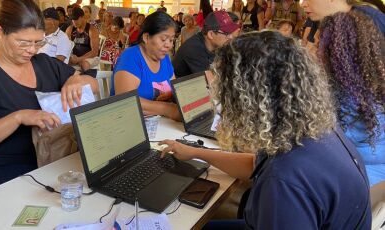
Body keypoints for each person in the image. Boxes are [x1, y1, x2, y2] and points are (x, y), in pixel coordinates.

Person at [161, 31, 371, 229]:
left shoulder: (284, 182)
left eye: (225, 94)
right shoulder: (316, 129)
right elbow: (255, 163)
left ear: (250, 100)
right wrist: (196, 153)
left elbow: (278, 178)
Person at [0, 0, 97, 194]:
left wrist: (76, 81)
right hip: (3, 171)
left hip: (51, 156)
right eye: (24, 42)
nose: (32, 50)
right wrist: (19, 117)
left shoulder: (44, 64)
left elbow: (94, 85)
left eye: (38, 42)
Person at [302, 0, 385, 186]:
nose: (303, 4)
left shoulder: (339, 105)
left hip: (353, 190)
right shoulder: (369, 95)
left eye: (318, 46)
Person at [111, 12, 181, 121]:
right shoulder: (131, 57)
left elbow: (173, 88)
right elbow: (126, 102)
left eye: (171, 40)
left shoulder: (164, 58)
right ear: (146, 37)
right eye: (163, 39)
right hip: (129, 123)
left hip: (161, 123)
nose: (168, 45)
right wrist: (168, 109)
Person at [173, 11, 240, 78]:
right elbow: (211, 81)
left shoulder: (215, 45)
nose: (231, 37)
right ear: (211, 34)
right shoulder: (194, 49)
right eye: (227, 34)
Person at [66, 7, 99, 71]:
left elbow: (95, 52)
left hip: (89, 58)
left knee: (84, 64)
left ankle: (87, 80)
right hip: (74, 57)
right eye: (72, 19)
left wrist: (79, 59)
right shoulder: (70, 29)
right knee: (61, 61)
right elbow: (65, 47)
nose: (74, 22)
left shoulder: (92, 30)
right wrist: (71, 57)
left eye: (76, 19)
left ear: (82, 17)